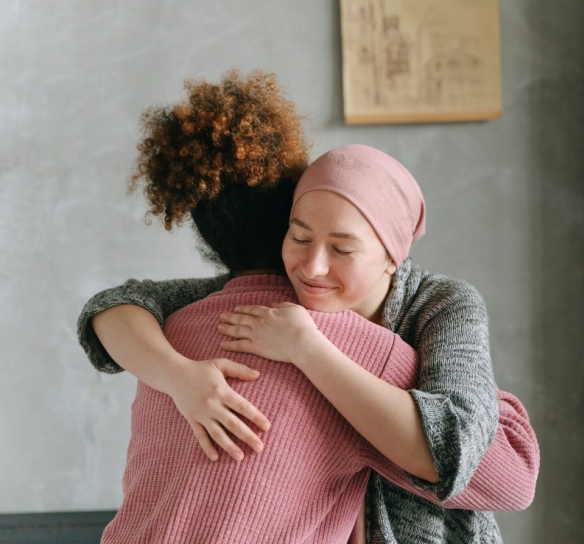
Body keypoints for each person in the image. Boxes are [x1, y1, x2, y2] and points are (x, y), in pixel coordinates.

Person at [78, 70, 539, 543]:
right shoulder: (254, 305)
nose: (313, 267)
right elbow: (115, 305)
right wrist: (180, 376)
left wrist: (310, 349)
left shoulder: (440, 306)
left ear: (392, 257)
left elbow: (490, 463)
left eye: (342, 249)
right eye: (298, 238)